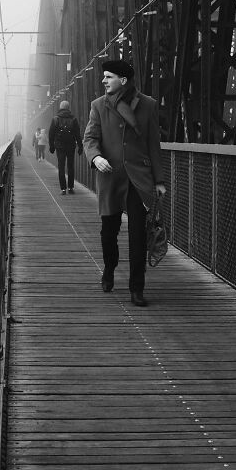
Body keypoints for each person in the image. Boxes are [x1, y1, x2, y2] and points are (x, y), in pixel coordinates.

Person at [83, 59, 165, 307]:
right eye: (104, 77)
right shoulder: (98, 106)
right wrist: (95, 157)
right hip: (110, 177)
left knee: (138, 235)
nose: (104, 81)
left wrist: (159, 180)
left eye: (108, 77)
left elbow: (153, 144)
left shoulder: (148, 105)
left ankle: (136, 289)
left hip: (138, 179)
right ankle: (109, 268)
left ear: (123, 80)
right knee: (109, 232)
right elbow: (90, 137)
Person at [49, 100, 83, 194]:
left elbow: (51, 134)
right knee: (70, 166)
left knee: (61, 166)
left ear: (60, 107)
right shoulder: (73, 119)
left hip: (60, 146)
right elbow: (77, 134)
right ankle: (71, 188)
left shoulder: (56, 119)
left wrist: (52, 146)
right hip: (71, 146)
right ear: (68, 108)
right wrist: (80, 146)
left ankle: (63, 189)